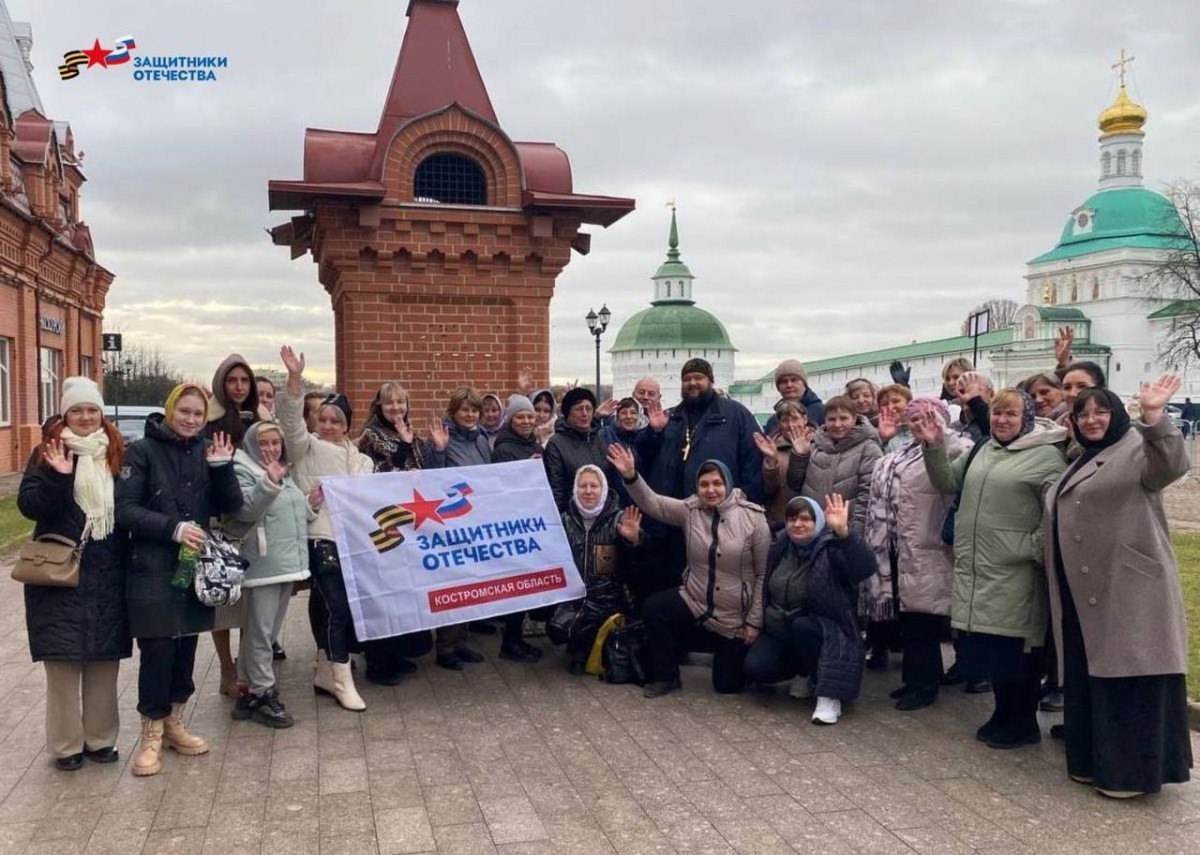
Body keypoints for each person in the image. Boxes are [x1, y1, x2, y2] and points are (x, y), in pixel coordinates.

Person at [1046, 377, 1193, 798]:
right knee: (1092, 676)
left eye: (1101, 411)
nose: (1092, 419)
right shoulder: (1081, 456)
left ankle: (1130, 773)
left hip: (1129, 588)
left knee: (1130, 678)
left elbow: (1171, 466)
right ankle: (1092, 761)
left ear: (1117, 415)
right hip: (1085, 589)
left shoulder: (1135, 447)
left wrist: (1154, 416)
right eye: (1084, 413)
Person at [915, 389, 1067, 749]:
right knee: (994, 649)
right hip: (979, 567)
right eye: (997, 413)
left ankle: (1023, 722)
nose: (1001, 420)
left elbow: (1057, 511)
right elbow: (948, 483)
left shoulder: (1046, 456)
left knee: (1018, 652)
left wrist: (1030, 548)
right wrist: (934, 447)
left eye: (1011, 414)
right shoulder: (983, 448)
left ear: (1025, 418)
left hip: (1016, 571)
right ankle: (1003, 713)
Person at [115, 384, 243, 776]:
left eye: (198, 414)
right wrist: (172, 528)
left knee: (186, 644)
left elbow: (232, 507)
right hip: (152, 565)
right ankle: (151, 733)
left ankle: (175, 722)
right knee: (156, 649)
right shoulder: (142, 452)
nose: (190, 419)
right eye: (184, 411)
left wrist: (222, 470)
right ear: (170, 410)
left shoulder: (207, 451)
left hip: (193, 569)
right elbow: (124, 509)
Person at [17, 378, 131, 772]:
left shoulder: (116, 452)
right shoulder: (48, 451)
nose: (85, 417)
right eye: (77, 410)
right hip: (59, 572)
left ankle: (101, 739)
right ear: (65, 414)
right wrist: (59, 476)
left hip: (107, 570)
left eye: (92, 410)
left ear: (101, 413)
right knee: (63, 661)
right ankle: (66, 745)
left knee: (103, 659)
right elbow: (29, 506)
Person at [608, 444, 770, 698]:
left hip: (734, 619)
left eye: (717, 483)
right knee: (655, 607)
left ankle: (735, 653)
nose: (711, 490)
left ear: (728, 484)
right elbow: (654, 504)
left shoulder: (754, 519)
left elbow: (762, 574)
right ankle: (667, 676)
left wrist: (753, 622)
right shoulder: (691, 511)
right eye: (704, 484)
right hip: (695, 602)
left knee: (726, 686)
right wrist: (631, 476)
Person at [277, 346, 373, 711]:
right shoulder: (307, 448)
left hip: (355, 542)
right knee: (337, 607)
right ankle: (342, 678)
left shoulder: (361, 459)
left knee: (330, 605)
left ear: (348, 425)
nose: (328, 425)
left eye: (336, 420)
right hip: (322, 537)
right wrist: (295, 380)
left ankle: (323, 668)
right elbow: (290, 424)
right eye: (324, 419)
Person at [866, 398, 971, 710]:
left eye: (925, 417)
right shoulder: (902, 452)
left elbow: (949, 484)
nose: (918, 425)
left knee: (923, 620)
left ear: (941, 417)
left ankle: (923, 686)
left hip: (929, 545)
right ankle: (918, 678)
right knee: (910, 618)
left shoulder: (955, 448)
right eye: (912, 420)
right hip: (899, 546)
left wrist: (934, 444)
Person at [744, 494, 875, 725]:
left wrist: (845, 534)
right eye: (792, 518)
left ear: (819, 523)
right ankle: (803, 671)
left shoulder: (832, 547)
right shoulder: (781, 546)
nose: (797, 524)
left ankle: (828, 695)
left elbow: (864, 568)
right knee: (756, 668)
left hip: (828, 631)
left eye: (806, 519)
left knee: (802, 627)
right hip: (780, 627)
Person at [227, 422, 310, 728]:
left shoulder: (281, 469)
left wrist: (311, 504)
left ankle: (247, 690)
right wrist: (269, 483)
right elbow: (245, 510)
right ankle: (263, 692)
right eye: (264, 443)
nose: (272, 448)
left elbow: (293, 508)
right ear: (251, 444)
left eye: (276, 442)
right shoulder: (242, 470)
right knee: (261, 633)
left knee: (264, 632)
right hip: (261, 562)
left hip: (285, 563)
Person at [206, 354, 272, 698]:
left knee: (254, 599)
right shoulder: (209, 422)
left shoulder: (261, 421)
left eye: (244, 381)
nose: (239, 387)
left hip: (258, 519)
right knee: (224, 602)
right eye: (232, 380)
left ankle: (248, 665)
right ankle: (226, 668)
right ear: (222, 383)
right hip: (223, 521)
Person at [413, 387, 493, 668]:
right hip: (451, 521)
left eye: (474, 410)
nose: (470, 414)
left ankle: (461, 640)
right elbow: (431, 477)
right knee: (454, 584)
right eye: (465, 409)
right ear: (454, 411)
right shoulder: (442, 436)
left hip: (476, 520)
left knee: (471, 583)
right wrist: (438, 449)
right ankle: (445, 648)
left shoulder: (482, 439)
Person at [556, 466, 640, 672]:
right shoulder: (565, 520)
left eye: (594, 485)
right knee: (557, 628)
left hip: (608, 598)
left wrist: (633, 540)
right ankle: (577, 645)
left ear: (603, 489)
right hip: (574, 596)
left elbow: (639, 559)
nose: (588, 491)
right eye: (582, 486)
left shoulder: (618, 519)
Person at [785, 395, 881, 536]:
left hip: (845, 531)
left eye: (843, 418)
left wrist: (852, 534)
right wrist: (800, 456)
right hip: (814, 530)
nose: (837, 424)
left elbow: (868, 496)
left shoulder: (869, 449)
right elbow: (795, 485)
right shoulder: (815, 446)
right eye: (832, 419)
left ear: (854, 419)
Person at [543, 387, 612, 513]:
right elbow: (556, 490)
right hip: (573, 518)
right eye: (579, 409)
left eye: (589, 409)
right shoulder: (556, 444)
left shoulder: (600, 438)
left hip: (603, 517)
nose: (584, 413)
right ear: (568, 413)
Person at [753, 400, 809, 532]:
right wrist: (771, 461)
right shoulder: (771, 446)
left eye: (795, 419)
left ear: (805, 419)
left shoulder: (819, 443)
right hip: (781, 519)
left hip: (810, 517)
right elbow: (769, 489)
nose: (790, 425)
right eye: (785, 420)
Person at [764, 359, 824, 431]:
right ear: (778, 387)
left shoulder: (823, 413)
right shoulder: (773, 422)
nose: (789, 385)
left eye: (794, 380)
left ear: (804, 384)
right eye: (784, 381)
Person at [874, 384, 914, 453]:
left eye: (896, 401)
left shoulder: (922, 427)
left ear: (909, 402)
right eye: (884, 404)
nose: (890, 407)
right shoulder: (876, 436)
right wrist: (884, 440)